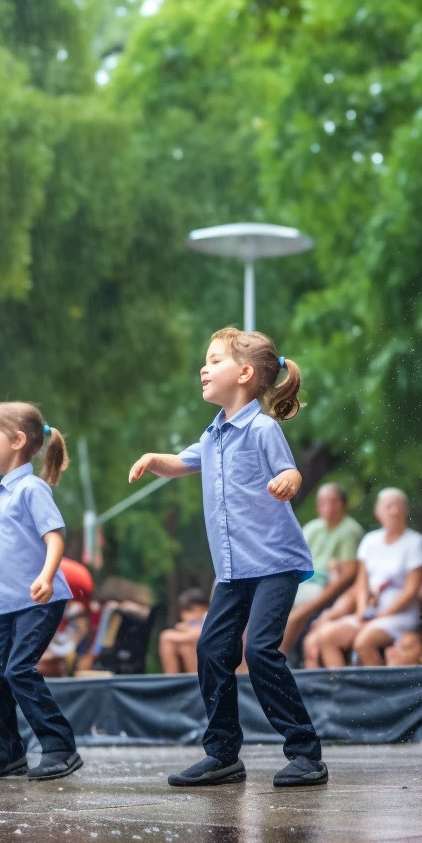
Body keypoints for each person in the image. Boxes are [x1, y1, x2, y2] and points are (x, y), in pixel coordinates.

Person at [129, 327, 327, 789]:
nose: (204, 367)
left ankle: (305, 753)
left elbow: (289, 471)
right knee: (212, 650)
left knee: (259, 650)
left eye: (213, 360)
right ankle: (222, 755)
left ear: (243, 373)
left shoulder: (261, 427)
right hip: (234, 573)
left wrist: (289, 483)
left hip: (274, 564)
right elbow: (182, 462)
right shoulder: (214, 434)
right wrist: (153, 458)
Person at [0, 403, 83, 781]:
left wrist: (47, 575)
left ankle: (60, 745)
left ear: (17, 441)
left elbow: (54, 536)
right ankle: (5, 753)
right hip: (6, 605)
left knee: (18, 669)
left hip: (38, 601)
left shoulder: (31, 488)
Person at [306, 489, 422, 667]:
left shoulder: (415, 542)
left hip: (400, 614)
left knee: (364, 641)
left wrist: (380, 616)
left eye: (398, 506)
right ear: (377, 512)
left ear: (405, 510)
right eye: (388, 506)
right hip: (370, 612)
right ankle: (344, 690)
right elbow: (362, 583)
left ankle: (379, 693)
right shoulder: (370, 541)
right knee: (327, 637)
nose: (393, 511)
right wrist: (362, 611)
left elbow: (411, 590)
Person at [281, 483, 364, 657]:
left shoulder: (349, 530)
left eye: (332, 501)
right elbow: (292, 561)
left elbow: (347, 575)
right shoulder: (312, 527)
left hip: (323, 586)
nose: (326, 506)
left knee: (298, 611)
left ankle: (280, 657)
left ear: (342, 504)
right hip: (301, 583)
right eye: (322, 502)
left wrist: (310, 605)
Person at [158, 588, 210, 674]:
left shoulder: (208, 616)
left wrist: (167, 635)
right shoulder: (192, 623)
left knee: (178, 642)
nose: (185, 615)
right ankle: (172, 679)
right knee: (173, 644)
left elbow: (199, 634)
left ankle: (195, 680)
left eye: (190, 610)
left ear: (203, 608)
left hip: (213, 661)